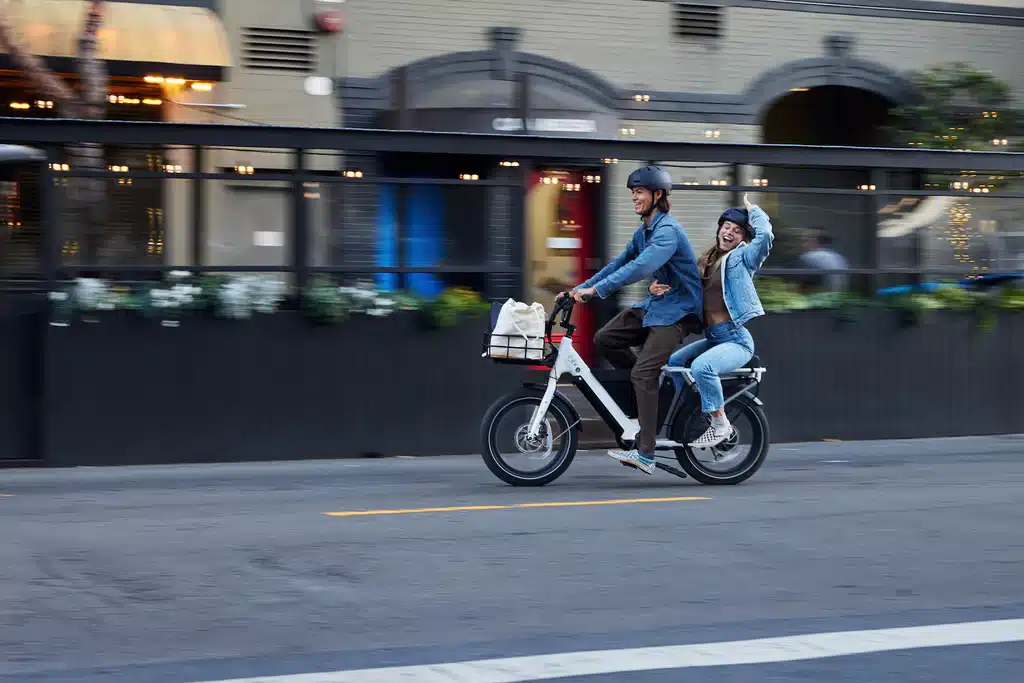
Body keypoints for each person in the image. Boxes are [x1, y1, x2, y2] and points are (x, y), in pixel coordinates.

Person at [569, 165, 703, 475]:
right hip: (657, 305)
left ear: (657, 195)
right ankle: (644, 394)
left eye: (639, 192)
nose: (634, 198)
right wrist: (577, 290)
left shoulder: (667, 231)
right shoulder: (644, 231)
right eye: (632, 193)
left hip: (679, 312)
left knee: (643, 373)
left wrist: (596, 291)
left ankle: (647, 451)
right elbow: (620, 263)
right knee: (605, 339)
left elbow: (641, 267)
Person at [652, 193, 773, 449]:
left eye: (737, 231)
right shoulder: (706, 261)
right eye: (726, 227)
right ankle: (693, 414)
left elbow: (765, 238)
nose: (730, 232)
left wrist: (755, 212)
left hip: (736, 339)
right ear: (719, 229)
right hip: (714, 337)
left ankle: (720, 424)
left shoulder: (743, 259)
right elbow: (684, 290)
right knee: (675, 362)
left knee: (702, 368)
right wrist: (657, 290)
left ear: (743, 238)